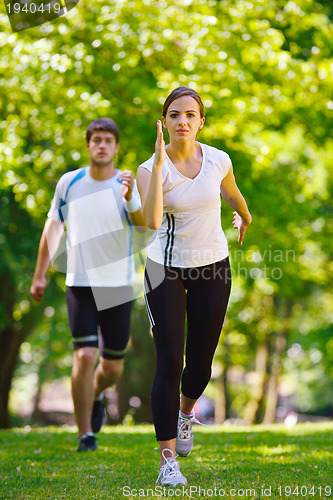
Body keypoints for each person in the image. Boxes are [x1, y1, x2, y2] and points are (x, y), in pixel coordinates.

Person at [136, 87, 252, 485]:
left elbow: (234, 197)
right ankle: (169, 462)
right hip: (164, 269)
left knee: (200, 363)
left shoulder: (218, 159)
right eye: (174, 115)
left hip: (212, 267)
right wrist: (157, 158)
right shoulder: (150, 168)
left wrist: (243, 218)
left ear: (201, 121)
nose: (182, 121)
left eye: (190, 115)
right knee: (170, 361)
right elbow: (152, 221)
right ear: (164, 122)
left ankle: (187, 414)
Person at [30, 118, 145, 452]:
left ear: (116, 147)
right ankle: (85, 435)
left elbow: (142, 227)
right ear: (88, 144)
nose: (102, 145)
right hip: (79, 284)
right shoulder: (70, 182)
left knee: (112, 367)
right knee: (84, 356)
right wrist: (39, 275)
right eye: (96, 139)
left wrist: (130, 197)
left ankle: (95, 392)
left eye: (109, 140)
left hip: (118, 286)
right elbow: (53, 229)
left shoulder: (126, 183)